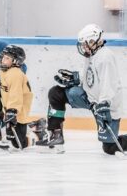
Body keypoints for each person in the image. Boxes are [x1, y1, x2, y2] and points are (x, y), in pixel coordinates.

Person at [36, 24, 127, 155]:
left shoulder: (105, 57)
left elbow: (109, 84)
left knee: (110, 148)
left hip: (107, 106)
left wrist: (103, 104)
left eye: (85, 44)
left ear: (93, 41)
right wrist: (76, 78)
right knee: (56, 93)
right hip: (90, 99)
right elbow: (92, 78)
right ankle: (56, 135)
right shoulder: (91, 54)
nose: (83, 47)